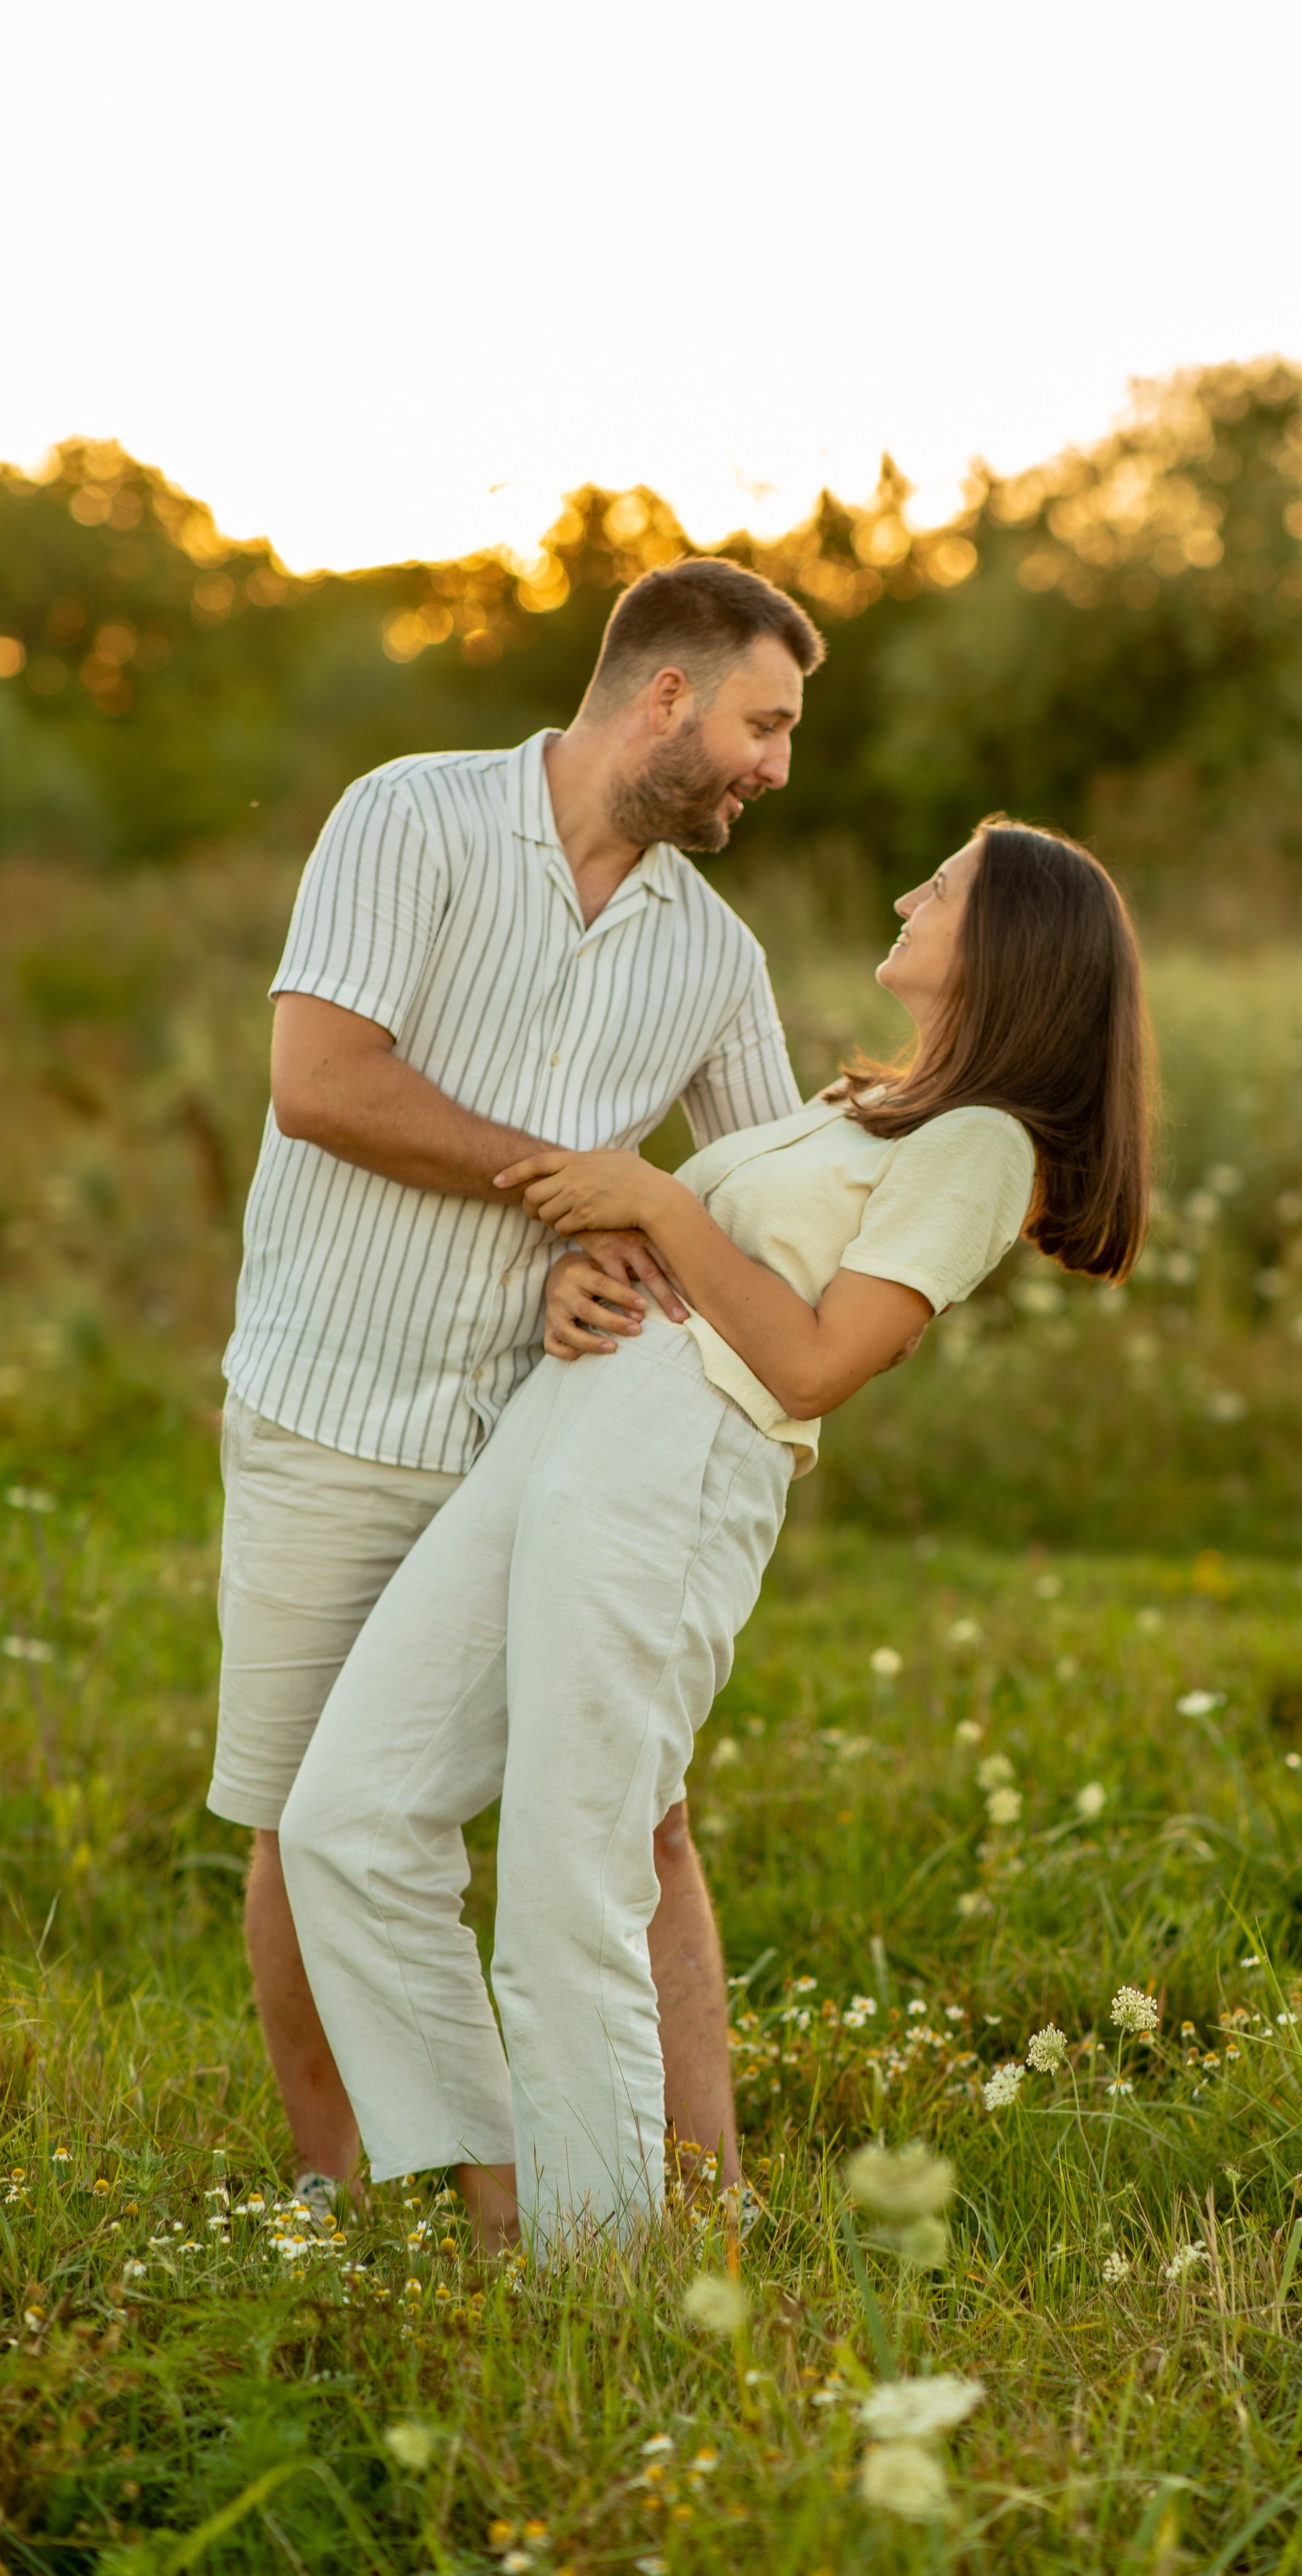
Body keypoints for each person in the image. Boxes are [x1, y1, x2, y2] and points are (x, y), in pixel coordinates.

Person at [278, 817, 1156, 2248]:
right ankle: (507, 2187)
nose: (906, 891)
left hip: (675, 1463)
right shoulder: (868, 1106)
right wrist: (589, 1267)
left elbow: (812, 1363)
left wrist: (653, 1202)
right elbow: (709, 1265)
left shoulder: (983, 1145)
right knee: (349, 1818)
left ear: (1007, 946)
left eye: (939, 886)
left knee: (571, 1874)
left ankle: (601, 2271)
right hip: (564, 1423)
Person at [211, 557, 826, 2230]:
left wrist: (664, 1224)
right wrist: (575, 1196)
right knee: (303, 1819)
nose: (776, 766)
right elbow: (321, 1084)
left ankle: (704, 2195)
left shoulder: (715, 958)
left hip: (547, 1443)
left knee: (643, 1820)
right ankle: (353, 2191)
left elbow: (760, 1213)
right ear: (666, 695)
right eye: (764, 724)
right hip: (332, 1410)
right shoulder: (408, 819)